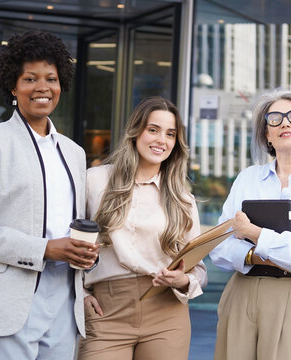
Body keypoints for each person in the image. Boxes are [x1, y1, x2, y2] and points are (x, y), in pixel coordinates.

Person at [0, 31, 99, 360]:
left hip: (63, 304)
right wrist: (44, 249)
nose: (42, 87)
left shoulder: (73, 153)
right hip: (4, 302)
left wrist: (85, 253)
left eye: (51, 78)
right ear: (13, 86)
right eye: (30, 78)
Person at [210, 89, 291, 360]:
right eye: (274, 118)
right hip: (242, 291)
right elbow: (218, 246)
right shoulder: (247, 178)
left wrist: (252, 233)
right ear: (267, 135)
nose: (285, 123)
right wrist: (261, 255)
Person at [78, 96, 207, 360]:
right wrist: (79, 294)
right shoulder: (94, 181)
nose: (162, 140)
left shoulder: (183, 199)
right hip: (106, 312)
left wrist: (183, 280)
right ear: (136, 132)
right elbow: (70, 245)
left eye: (170, 134)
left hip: (166, 313)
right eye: (153, 130)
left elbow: (198, 267)